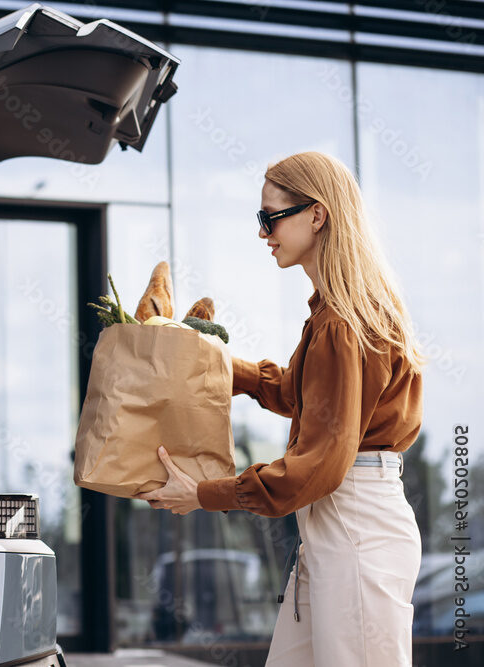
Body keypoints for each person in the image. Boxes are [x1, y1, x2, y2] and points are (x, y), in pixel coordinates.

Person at [137, 151, 426, 666]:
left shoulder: (342, 321)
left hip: (354, 524)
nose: (263, 232)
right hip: (343, 523)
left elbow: (319, 465)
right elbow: (301, 396)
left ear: (317, 215)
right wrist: (218, 362)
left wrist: (205, 495)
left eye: (271, 217)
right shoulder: (336, 313)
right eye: (260, 218)